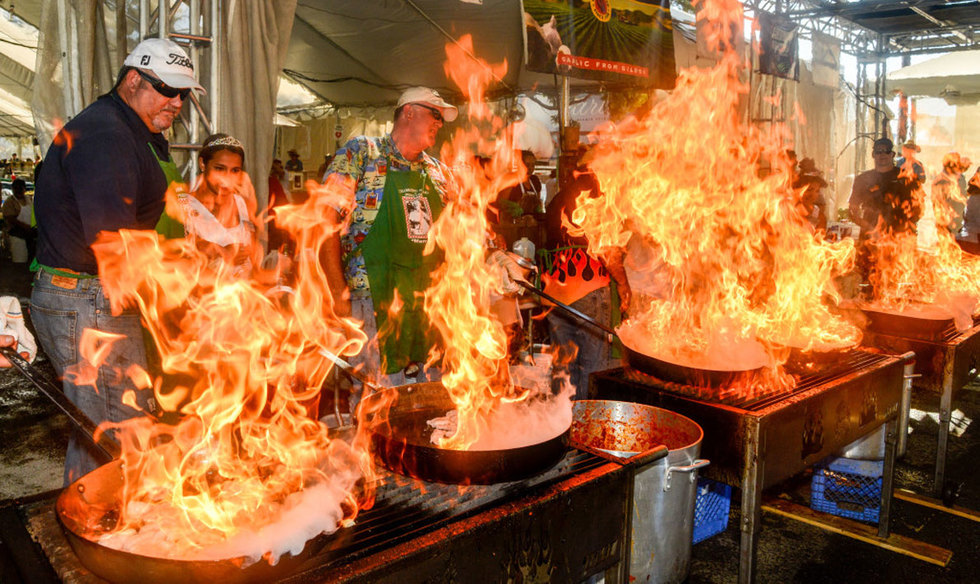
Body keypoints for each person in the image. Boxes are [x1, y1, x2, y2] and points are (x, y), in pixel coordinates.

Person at [30, 37, 203, 484]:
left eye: (184, 93)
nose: (177, 102)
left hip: (91, 295)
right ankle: (103, 534)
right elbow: (115, 245)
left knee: (102, 428)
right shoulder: (108, 136)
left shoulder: (133, 130)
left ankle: (92, 520)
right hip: (87, 299)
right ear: (132, 79)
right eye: (167, 89)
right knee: (116, 429)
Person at [321, 86, 459, 386]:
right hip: (372, 299)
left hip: (426, 304)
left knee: (429, 397)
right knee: (378, 402)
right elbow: (324, 221)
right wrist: (337, 293)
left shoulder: (437, 171)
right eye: (435, 114)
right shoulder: (361, 153)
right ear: (408, 112)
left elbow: (458, 233)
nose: (439, 123)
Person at [543, 145, 631, 399]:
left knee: (563, 367)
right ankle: (583, 427)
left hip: (556, 296)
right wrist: (623, 285)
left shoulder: (559, 198)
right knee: (592, 368)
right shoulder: (597, 197)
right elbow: (607, 249)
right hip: (589, 292)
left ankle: (559, 424)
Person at [183, 133, 257, 277]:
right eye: (219, 168)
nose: (227, 178)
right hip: (205, 297)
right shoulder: (185, 205)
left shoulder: (242, 203)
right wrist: (224, 257)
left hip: (243, 296)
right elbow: (181, 264)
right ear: (203, 164)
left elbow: (253, 257)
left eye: (235, 170)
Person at [848, 137, 920, 237]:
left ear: (892, 154)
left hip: (900, 239)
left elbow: (917, 208)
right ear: (873, 155)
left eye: (886, 151)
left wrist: (901, 230)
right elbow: (852, 210)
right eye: (878, 151)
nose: (882, 154)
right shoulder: (862, 179)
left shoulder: (906, 177)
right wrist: (870, 229)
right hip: (870, 238)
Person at [931, 152, 971, 235]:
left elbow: (962, 193)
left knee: (957, 237)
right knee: (947, 237)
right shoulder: (942, 180)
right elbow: (938, 201)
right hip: (947, 217)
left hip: (958, 215)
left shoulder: (960, 177)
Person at [1, 178, 36, 263]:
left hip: (30, 235)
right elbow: (11, 219)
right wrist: (26, 227)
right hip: (16, 236)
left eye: (20, 188)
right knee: (20, 261)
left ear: (24, 189)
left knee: (30, 261)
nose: (18, 191)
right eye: (16, 188)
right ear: (13, 189)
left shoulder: (29, 199)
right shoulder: (10, 202)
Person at [794, 158, 829, 232]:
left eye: (817, 191)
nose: (812, 195)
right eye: (809, 190)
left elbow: (820, 237)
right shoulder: (789, 210)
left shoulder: (818, 214)